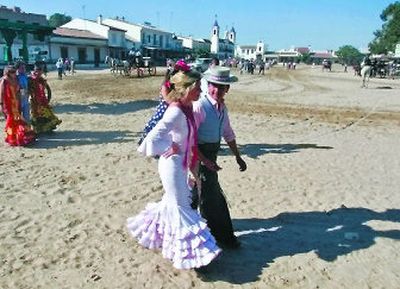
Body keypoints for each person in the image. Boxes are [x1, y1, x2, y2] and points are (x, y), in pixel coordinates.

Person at [127, 70, 221, 269]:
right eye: (197, 88)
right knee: (181, 207)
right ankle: (190, 255)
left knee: (172, 203)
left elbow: (191, 140)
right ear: (186, 89)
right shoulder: (176, 110)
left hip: (181, 164)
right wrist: (167, 146)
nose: (200, 92)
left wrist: (202, 160)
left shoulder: (187, 107)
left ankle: (155, 235)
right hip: (171, 165)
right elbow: (150, 139)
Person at [193, 67, 247, 249]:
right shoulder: (200, 106)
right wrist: (203, 160)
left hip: (211, 158)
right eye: (214, 86)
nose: (217, 90)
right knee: (208, 197)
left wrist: (238, 157)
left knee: (199, 196)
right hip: (197, 158)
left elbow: (228, 134)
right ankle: (215, 239)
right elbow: (190, 139)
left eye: (222, 87)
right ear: (208, 86)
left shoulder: (223, 109)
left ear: (227, 89)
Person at [138, 59, 191, 145]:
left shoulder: (180, 85)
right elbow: (167, 99)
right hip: (165, 108)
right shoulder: (166, 84)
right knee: (158, 123)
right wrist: (177, 104)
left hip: (174, 107)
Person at [0, 65, 35, 146]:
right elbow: (1, 94)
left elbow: (19, 92)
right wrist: (1, 105)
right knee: (12, 121)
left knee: (18, 119)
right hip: (8, 104)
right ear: (7, 73)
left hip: (16, 103)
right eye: (11, 72)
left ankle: (18, 136)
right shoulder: (4, 80)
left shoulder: (16, 80)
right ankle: (12, 137)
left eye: (14, 71)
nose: (14, 73)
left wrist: (19, 101)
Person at [28, 65, 62, 134]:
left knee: (46, 114)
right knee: (36, 115)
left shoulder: (41, 79)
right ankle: (38, 130)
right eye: (38, 71)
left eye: (40, 72)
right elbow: (28, 90)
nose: (39, 73)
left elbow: (48, 89)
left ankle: (46, 129)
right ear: (35, 71)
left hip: (42, 100)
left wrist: (48, 98)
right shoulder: (30, 79)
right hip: (34, 101)